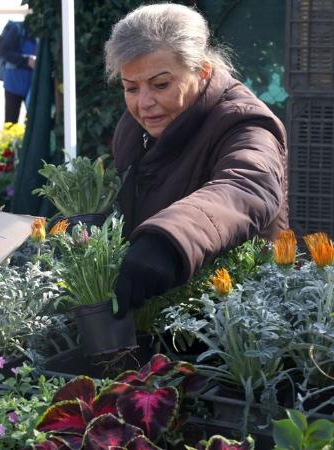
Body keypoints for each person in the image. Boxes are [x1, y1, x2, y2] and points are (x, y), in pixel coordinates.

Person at [105, 4, 288, 317]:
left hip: (233, 321)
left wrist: (167, 242)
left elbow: (248, 185)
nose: (144, 103)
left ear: (202, 70)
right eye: (130, 88)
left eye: (161, 84)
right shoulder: (134, 127)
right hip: (157, 313)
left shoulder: (245, 122)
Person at [0, 20, 37, 124]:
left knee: (31, 123)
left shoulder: (44, 35)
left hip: (31, 87)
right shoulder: (17, 29)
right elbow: (4, 52)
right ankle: (10, 140)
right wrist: (26, 60)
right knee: (10, 123)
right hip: (13, 85)